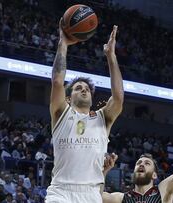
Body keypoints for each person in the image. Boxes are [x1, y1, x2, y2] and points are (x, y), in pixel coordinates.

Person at [45, 19, 124, 203]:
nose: (84, 89)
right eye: (78, 87)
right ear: (67, 98)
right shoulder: (60, 113)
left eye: (87, 88)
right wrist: (63, 43)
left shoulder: (103, 118)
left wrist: (111, 56)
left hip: (91, 194)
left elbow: (119, 98)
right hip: (61, 192)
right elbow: (57, 81)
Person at [102, 94, 173, 203]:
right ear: (133, 172)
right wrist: (104, 172)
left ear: (154, 175)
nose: (141, 164)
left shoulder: (164, 190)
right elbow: (93, 198)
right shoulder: (120, 198)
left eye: (147, 163)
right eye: (139, 163)